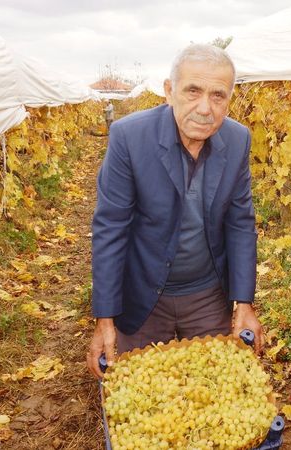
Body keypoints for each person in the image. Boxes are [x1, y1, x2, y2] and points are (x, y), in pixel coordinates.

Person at [86, 44, 263, 379]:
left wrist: (244, 303)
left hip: (207, 295)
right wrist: (105, 319)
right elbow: (111, 228)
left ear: (229, 99)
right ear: (169, 91)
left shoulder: (238, 139)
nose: (204, 108)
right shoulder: (129, 137)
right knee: (144, 388)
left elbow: (240, 222)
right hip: (143, 295)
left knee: (211, 387)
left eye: (217, 95)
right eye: (193, 91)